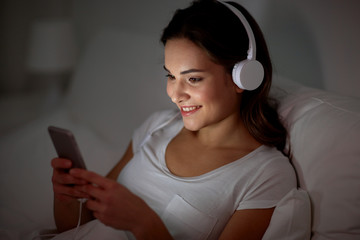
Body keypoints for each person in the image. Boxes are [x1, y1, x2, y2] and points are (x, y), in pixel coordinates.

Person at [50, 0, 297, 239]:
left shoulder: (266, 175)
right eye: (171, 75)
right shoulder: (156, 125)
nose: (175, 95)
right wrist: (67, 198)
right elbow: (76, 227)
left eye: (193, 79)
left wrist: (142, 222)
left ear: (242, 77)